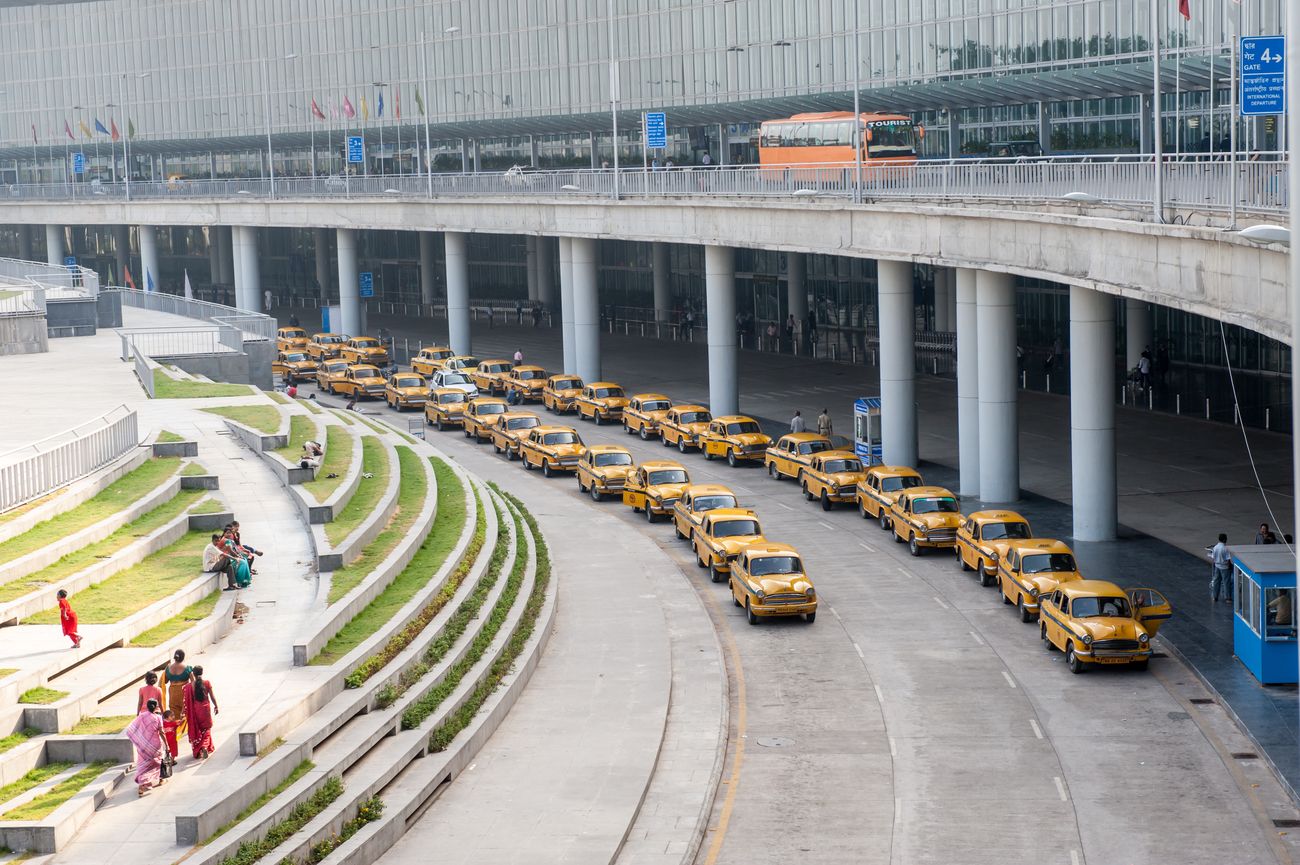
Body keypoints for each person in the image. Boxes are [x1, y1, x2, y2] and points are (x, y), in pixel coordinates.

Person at [125, 700, 165, 796]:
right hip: (155, 745)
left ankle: (143, 785)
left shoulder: (142, 716)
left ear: (147, 706)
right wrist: (167, 745)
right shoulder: (158, 717)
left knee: (144, 765)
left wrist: (139, 739)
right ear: (156, 707)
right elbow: (162, 732)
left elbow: (131, 729)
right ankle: (158, 780)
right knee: (156, 762)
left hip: (143, 746)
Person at [183, 665, 219, 759]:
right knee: (206, 729)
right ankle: (204, 746)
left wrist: (183, 711)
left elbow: (186, 701)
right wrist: (216, 706)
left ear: (193, 674)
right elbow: (212, 696)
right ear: (202, 673)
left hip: (196, 710)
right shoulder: (207, 683)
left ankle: (200, 749)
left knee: (198, 729)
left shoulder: (189, 686)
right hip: (206, 709)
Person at [163, 650, 193, 721]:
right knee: (186, 714)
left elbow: (165, 681)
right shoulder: (187, 668)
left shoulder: (168, 668)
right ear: (183, 658)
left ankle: (177, 731)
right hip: (184, 693)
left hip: (173, 695)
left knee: (174, 716)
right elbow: (193, 682)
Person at [1209, 533, 1233, 603]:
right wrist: (1230, 566)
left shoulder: (1215, 547)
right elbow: (1228, 559)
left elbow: (1213, 558)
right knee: (1226, 582)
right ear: (1225, 539)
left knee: (1216, 582)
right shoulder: (1225, 548)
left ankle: (1215, 597)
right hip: (1224, 567)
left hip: (1217, 566)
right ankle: (1227, 598)